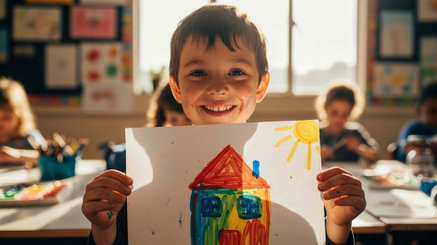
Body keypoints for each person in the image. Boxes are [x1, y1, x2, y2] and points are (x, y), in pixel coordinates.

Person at [82, 4, 366, 245]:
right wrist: (104, 229)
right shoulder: (145, 197)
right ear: (176, 87)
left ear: (261, 84)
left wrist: (338, 227)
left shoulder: (297, 189)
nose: (218, 87)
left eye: (236, 71)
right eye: (199, 72)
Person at [315, 81, 379, 163]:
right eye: (334, 113)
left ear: (352, 112)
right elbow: (304, 162)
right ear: (325, 108)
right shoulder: (316, 132)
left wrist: (359, 148)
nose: (339, 119)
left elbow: (375, 156)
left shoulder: (355, 132)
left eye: (345, 114)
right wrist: (317, 156)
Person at [395, 82, 437, 162]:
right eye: (432, 111)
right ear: (419, 109)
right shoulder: (413, 129)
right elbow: (402, 156)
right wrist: (434, 144)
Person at [0, 77, 45, 167]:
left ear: (20, 117)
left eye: (6, 118)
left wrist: (18, 155)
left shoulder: (29, 138)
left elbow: (48, 157)